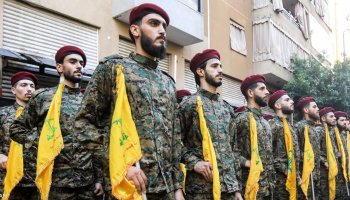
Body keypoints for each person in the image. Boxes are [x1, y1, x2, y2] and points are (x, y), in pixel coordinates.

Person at [74, 3, 184, 200]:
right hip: (128, 186)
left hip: (165, 189)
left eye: (164, 27)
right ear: (135, 30)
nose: (162, 31)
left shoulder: (167, 82)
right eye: (154, 23)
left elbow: (174, 138)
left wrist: (177, 187)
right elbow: (83, 124)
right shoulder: (115, 69)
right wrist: (121, 164)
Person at [10, 46, 103, 199]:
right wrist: (42, 144)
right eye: (72, 61)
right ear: (59, 67)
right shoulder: (44, 97)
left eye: (81, 63)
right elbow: (17, 128)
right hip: (56, 183)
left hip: (87, 183)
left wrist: (99, 179)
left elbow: (94, 142)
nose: (79, 66)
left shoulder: (89, 101)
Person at [178, 49, 242, 199]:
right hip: (202, 189)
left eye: (221, 66)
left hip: (229, 189)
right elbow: (173, 144)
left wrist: (237, 189)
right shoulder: (189, 104)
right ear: (200, 71)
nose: (220, 70)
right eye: (214, 66)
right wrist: (194, 163)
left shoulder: (227, 108)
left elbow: (234, 150)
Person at [233, 74, 275, 199]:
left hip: (268, 187)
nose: (267, 92)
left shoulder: (265, 122)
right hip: (250, 187)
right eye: (262, 89)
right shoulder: (241, 119)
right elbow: (229, 152)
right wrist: (246, 162)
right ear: (250, 93)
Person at [0, 72, 39, 199]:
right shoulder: (3, 114)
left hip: (36, 180)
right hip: (8, 177)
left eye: (32, 86)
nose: (29, 89)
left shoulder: (42, 116)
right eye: (24, 85)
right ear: (13, 90)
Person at [268, 90, 301, 199]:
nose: (292, 101)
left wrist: (296, 174)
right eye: (287, 100)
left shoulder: (290, 127)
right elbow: (267, 155)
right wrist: (286, 170)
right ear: (277, 105)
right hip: (279, 183)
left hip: (292, 178)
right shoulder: (272, 126)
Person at [294, 97, 321, 199]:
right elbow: (295, 151)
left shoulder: (313, 128)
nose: (318, 109)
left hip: (315, 175)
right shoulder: (299, 127)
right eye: (314, 107)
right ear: (306, 110)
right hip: (306, 176)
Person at [318, 107, 346, 200]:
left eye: (334, 116)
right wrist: (324, 161)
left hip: (334, 166)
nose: (334, 118)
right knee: (326, 194)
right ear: (323, 119)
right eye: (331, 116)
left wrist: (338, 154)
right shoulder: (319, 131)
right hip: (324, 170)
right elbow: (315, 151)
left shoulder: (331, 132)